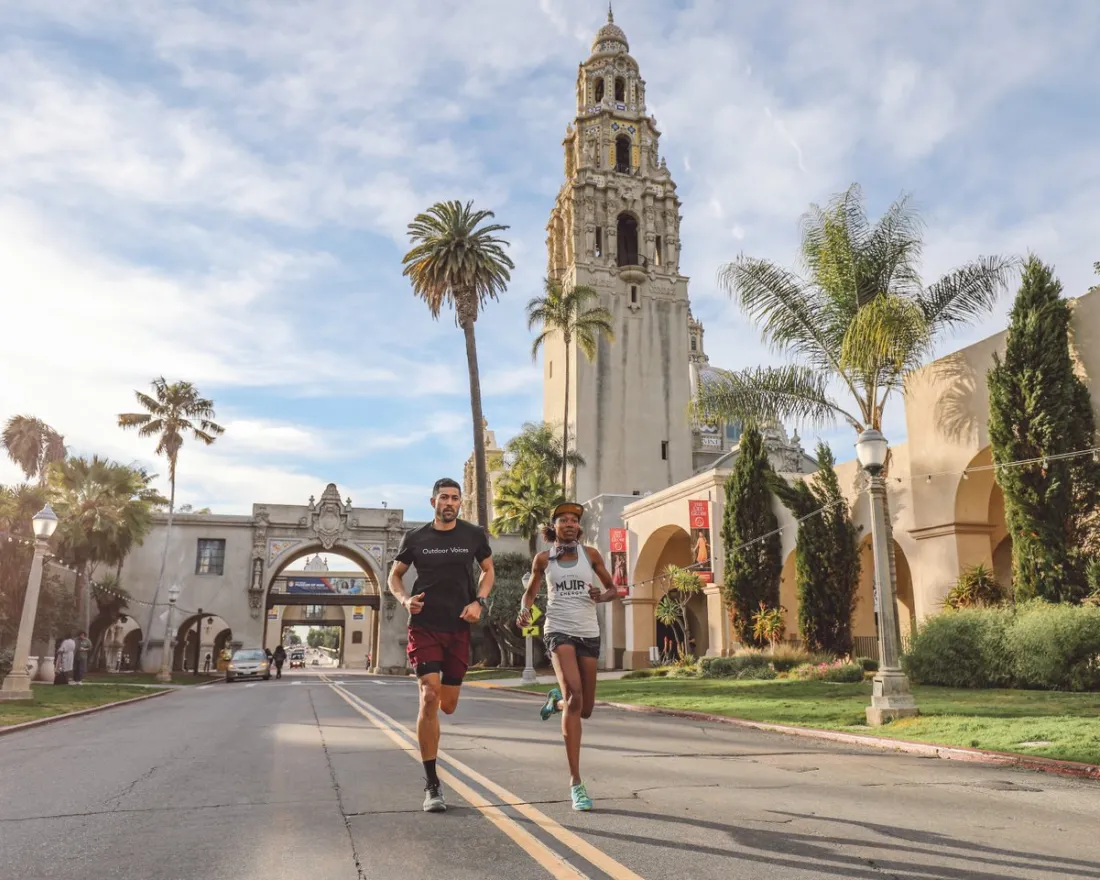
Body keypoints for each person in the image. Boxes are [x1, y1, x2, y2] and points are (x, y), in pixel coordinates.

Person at [388, 477, 494, 813]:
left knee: (447, 704)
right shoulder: (416, 538)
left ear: (460, 503)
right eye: (443, 497)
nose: (449, 503)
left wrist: (479, 601)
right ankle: (432, 784)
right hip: (425, 626)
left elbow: (488, 570)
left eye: (455, 498)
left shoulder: (473, 535)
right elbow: (395, 576)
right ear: (432, 501)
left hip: (458, 627)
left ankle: (433, 769)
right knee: (429, 694)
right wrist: (405, 601)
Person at [518, 501, 617, 812]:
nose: (570, 523)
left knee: (584, 708)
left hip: (588, 632)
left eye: (574, 519)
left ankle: (555, 702)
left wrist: (602, 595)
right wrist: (524, 610)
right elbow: (531, 593)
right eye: (564, 520)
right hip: (558, 629)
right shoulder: (544, 560)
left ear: (579, 527)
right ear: (554, 527)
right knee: (575, 694)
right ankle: (576, 782)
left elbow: (613, 588)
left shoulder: (592, 556)